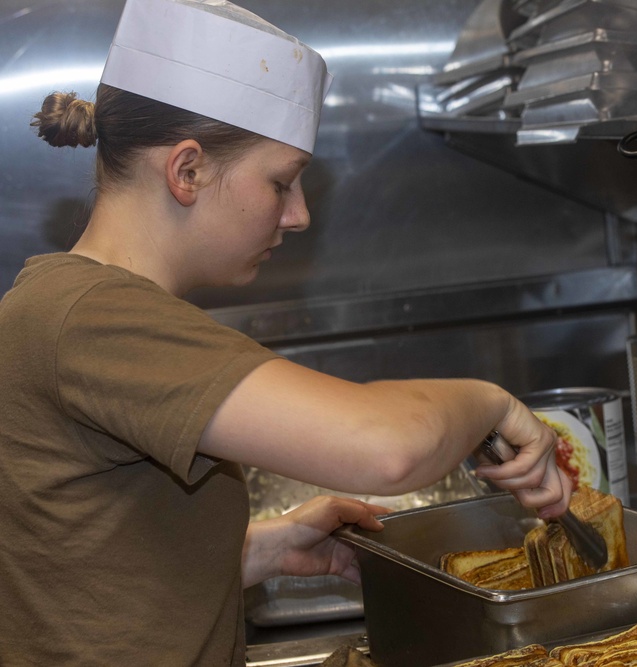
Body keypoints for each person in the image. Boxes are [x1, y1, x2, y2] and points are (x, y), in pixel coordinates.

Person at [0, 0, 571, 664]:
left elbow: (87, 564)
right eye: (282, 183)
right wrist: (493, 402)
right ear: (187, 171)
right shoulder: (96, 319)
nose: (298, 214)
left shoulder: (71, 304)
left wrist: (266, 547)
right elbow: (386, 449)